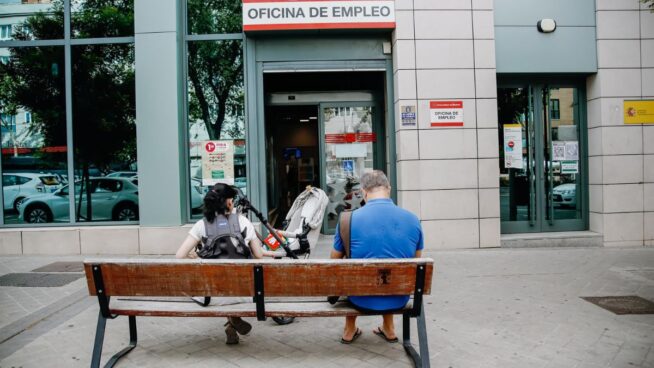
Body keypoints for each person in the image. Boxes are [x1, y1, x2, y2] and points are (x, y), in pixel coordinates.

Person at [176, 183, 277, 345]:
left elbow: (179, 255)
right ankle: (233, 320)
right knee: (234, 279)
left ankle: (232, 321)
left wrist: (196, 258)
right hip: (245, 293)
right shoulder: (243, 222)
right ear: (229, 202)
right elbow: (258, 255)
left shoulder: (201, 225)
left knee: (219, 280)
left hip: (212, 296)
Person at [331, 170, 423, 344]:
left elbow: (333, 264)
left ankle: (349, 329)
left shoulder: (347, 220)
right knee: (391, 265)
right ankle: (388, 328)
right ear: (389, 189)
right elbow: (417, 260)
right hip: (398, 298)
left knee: (345, 268)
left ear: (364, 192)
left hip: (360, 298)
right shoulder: (412, 219)